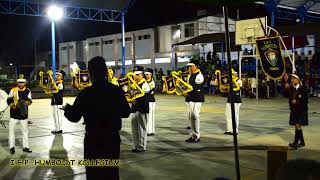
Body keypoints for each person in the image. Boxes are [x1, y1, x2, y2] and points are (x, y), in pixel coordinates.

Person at [63, 56, 131, 180]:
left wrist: (67, 109)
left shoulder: (86, 93)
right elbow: (126, 112)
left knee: (93, 173)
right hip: (111, 139)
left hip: (93, 140)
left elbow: (74, 117)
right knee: (111, 173)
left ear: (90, 73)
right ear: (105, 71)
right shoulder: (116, 91)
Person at [7, 74, 32, 154]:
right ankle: (11, 147)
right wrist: (12, 105)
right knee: (11, 130)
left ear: (25, 83)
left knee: (25, 131)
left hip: (23, 114)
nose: (21, 84)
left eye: (22, 82)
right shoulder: (13, 90)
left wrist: (25, 103)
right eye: (19, 82)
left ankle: (26, 147)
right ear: (17, 82)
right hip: (14, 114)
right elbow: (9, 99)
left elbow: (30, 100)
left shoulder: (28, 91)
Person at [284, 74, 308, 150]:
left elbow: (305, 101)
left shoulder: (303, 89)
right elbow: (286, 95)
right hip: (294, 110)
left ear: (298, 80)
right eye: (291, 78)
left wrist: (297, 101)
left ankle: (295, 143)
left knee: (297, 125)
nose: (292, 80)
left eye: (294, 78)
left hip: (301, 110)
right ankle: (302, 142)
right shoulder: (291, 88)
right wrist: (286, 88)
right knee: (297, 126)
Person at [131, 66, 150, 152]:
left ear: (142, 75)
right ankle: (136, 145)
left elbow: (144, 98)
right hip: (134, 109)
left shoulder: (145, 84)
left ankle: (142, 146)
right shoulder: (134, 84)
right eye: (134, 75)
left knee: (142, 128)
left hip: (142, 109)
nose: (135, 76)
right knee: (134, 128)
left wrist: (135, 101)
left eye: (137, 75)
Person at [184, 60, 204, 143]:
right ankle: (193, 135)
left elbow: (195, 88)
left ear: (196, 66)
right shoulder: (190, 75)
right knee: (191, 117)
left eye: (191, 66)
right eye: (189, 66)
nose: (190, 68)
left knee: (195, 117)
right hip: (191, 99)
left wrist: (187, 92)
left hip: (197, 99)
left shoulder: (199, 75)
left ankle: (196, 136)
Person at [224, 70, 242, 135]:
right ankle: (229, 129)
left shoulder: (238, 80)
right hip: (229, 99)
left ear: (236, 74)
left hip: (236, 100)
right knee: (228, 115)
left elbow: (238, 88)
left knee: (235, 115)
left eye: (232, 74)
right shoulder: (229, 81)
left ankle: (235, 130)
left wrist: (233, 81)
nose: (231, 75)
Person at [145, 68, 156, 136]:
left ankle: (151, 131)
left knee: (150, 116)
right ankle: (148, 130)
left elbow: (148, 90)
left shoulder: (152, 82)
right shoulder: (145, 81)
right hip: (146, 100)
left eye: (147, 74)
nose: (146, 75)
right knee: (147, 116)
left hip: (151, 101)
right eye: (145, 74)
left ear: (151, 74)